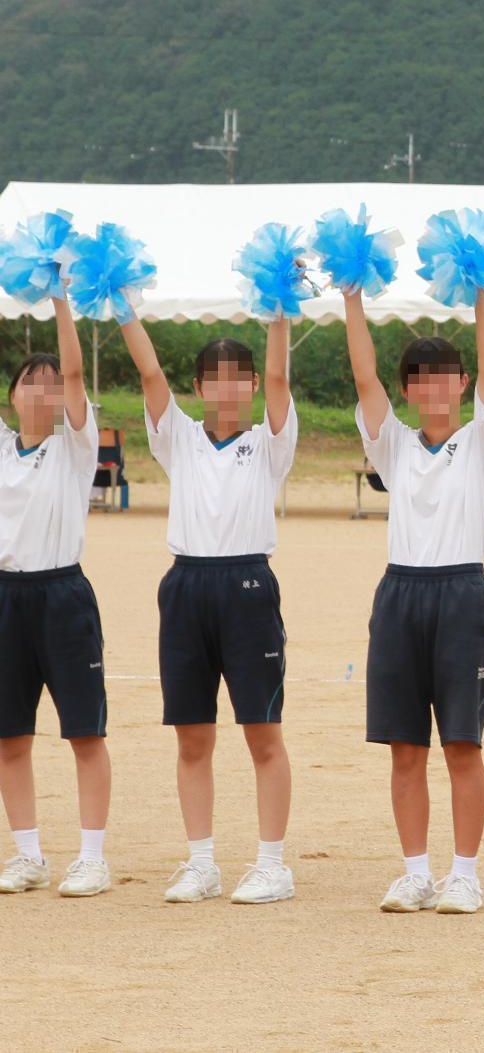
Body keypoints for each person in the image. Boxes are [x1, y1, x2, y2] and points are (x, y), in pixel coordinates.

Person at [118, 319, 298, 905]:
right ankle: (201, 863)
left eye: (238, 379)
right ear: (198, 388)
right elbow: (150, 372)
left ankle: (272, 865)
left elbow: (280, 375)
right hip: (186, 587)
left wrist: (279, 311)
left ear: (252, 386)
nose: (227, 389)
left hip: (248, 587)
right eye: (214, 380)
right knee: (192, 737)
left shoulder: (269, 442)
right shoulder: (179, 437)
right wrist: (122, 308)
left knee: (262, 733)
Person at [343, 286, 484, 916]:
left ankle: (464, 874)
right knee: (405, 747)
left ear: (461, 384)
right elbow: (364, 376)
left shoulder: (482, 439)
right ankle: (415, 873)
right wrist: (352, 299)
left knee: (462, 745)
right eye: (420, 379)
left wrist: (482, 289)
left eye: (445, 377)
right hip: (400, 595)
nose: (434, 388)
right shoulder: (393, 445)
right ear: (408, 391)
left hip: (461, 594)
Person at [0, 293, 113, 898]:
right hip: (6, 598)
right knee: (9, 737)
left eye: (53, 385)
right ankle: (28, 855)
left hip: (63, 596)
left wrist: (60, 300)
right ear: (13, 395)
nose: (42, 392)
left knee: (84, 733)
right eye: (30, 383)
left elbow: (74, 372)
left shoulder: (73, 447)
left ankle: (91, 857)